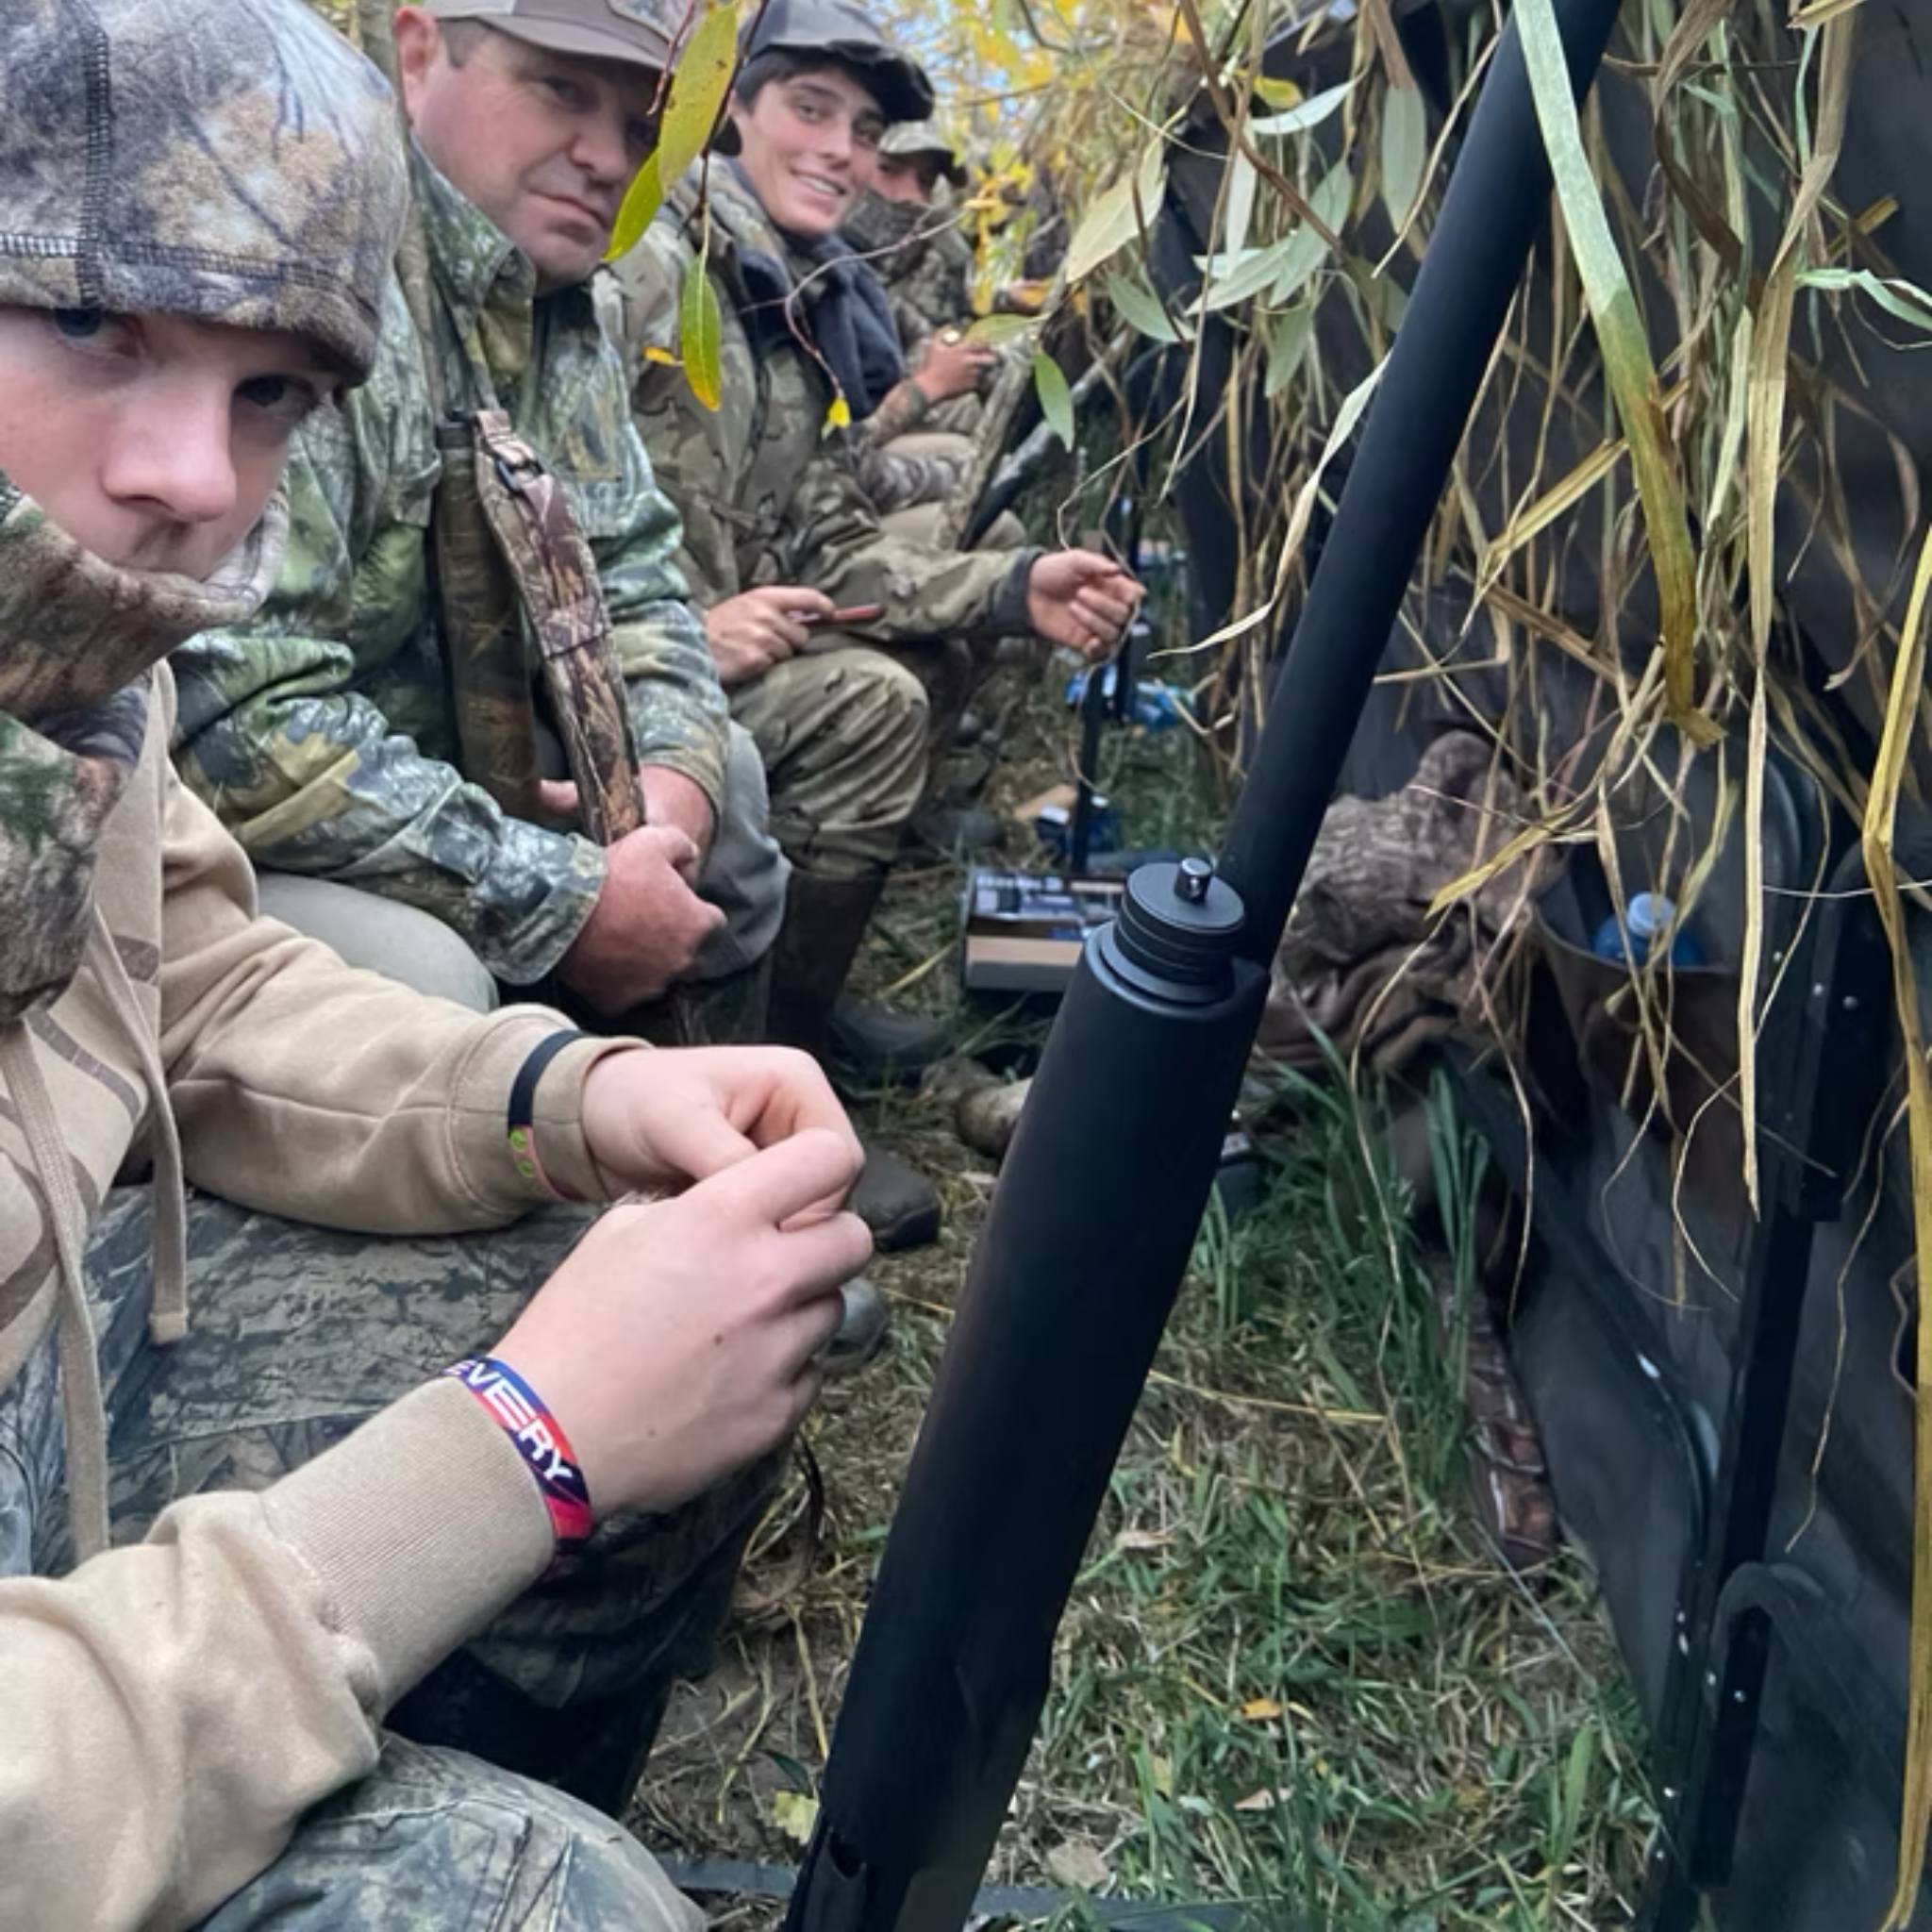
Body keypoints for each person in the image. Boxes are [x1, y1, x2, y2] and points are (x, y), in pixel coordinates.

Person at [0, 4, 872, 1927]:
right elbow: (271, 709)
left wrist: (559, 1094)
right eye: (86, 324)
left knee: (664, 1295)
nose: (191, 477)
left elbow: (194, 975)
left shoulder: (65, 666)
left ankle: (402, 1745)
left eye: (270, 395)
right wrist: (516, 1449)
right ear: (419, 55)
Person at [169, 0, 785, 1041]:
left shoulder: (561, 311)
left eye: (643, 129)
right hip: (222, 826)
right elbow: (233, 721)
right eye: (561, 88)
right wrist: (555, 896)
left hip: (436, 771)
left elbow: (637, 579)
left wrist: (670, 788)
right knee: (428, 981)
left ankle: (722, 1117)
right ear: (418, 55)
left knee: (729, 785)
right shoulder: (309, 271)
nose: (608, 158)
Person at [601, 0, 1142, 1069]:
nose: (841, 153)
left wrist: (1014, 585)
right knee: (871, 703)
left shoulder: (783, 299)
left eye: (861, 131)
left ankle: (794, 1022)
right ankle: (738, 1062)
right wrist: (680, 638)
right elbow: (526, 519)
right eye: (810, 111)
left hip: (692, 651)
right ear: (732, 109)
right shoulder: (647, 268)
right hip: (604, 677)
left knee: (911, 668)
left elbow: (831, 535)